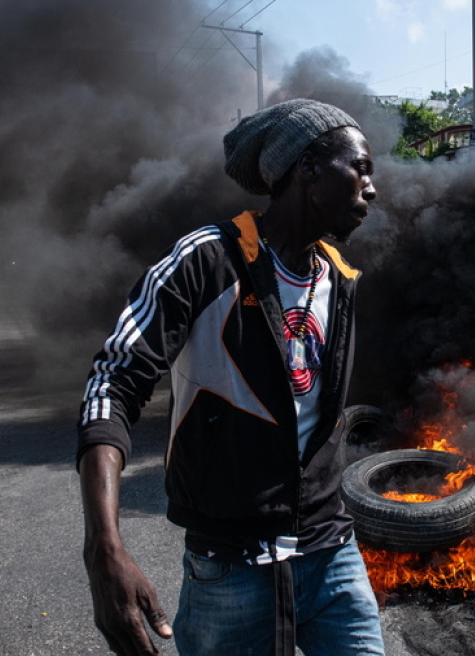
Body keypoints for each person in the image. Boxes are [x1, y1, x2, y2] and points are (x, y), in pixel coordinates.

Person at [76, 98, 384, 656]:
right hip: (231, 570)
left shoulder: (340, 278)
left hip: (331, 555)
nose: (371, 188)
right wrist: (103, 546)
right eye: (360, 168)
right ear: (308, 168)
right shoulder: (206, 260)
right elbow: (114, 382)